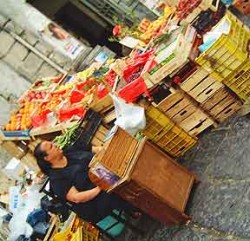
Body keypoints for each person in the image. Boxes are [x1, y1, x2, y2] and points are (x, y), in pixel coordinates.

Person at [34, 141, 138, 223]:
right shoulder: (57, 179)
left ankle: (141, 195)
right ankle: (135, 207)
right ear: (47, 158)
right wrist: (99, 187)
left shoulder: (71, 149)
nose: (55, 145)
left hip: (104, 177)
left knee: (121, 169)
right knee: (111, 190)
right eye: (51, 147)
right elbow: (77, 197)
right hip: (93, 203)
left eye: (53, 144)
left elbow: (98, 150)